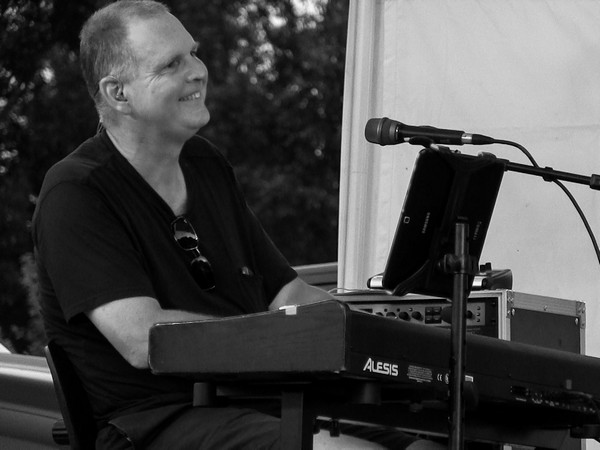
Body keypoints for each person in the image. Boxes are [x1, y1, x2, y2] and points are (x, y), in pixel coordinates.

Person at [32, 1, 443, 448]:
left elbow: (285, 295)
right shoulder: (76, 191)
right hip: (156, 420)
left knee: (436, 441)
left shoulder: (206, 164)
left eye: (194, 53)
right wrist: (275, 340)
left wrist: (395, 333)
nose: (198, 71)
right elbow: (141, 337)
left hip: (260, 403)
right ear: (118, 94)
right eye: (171, 64)